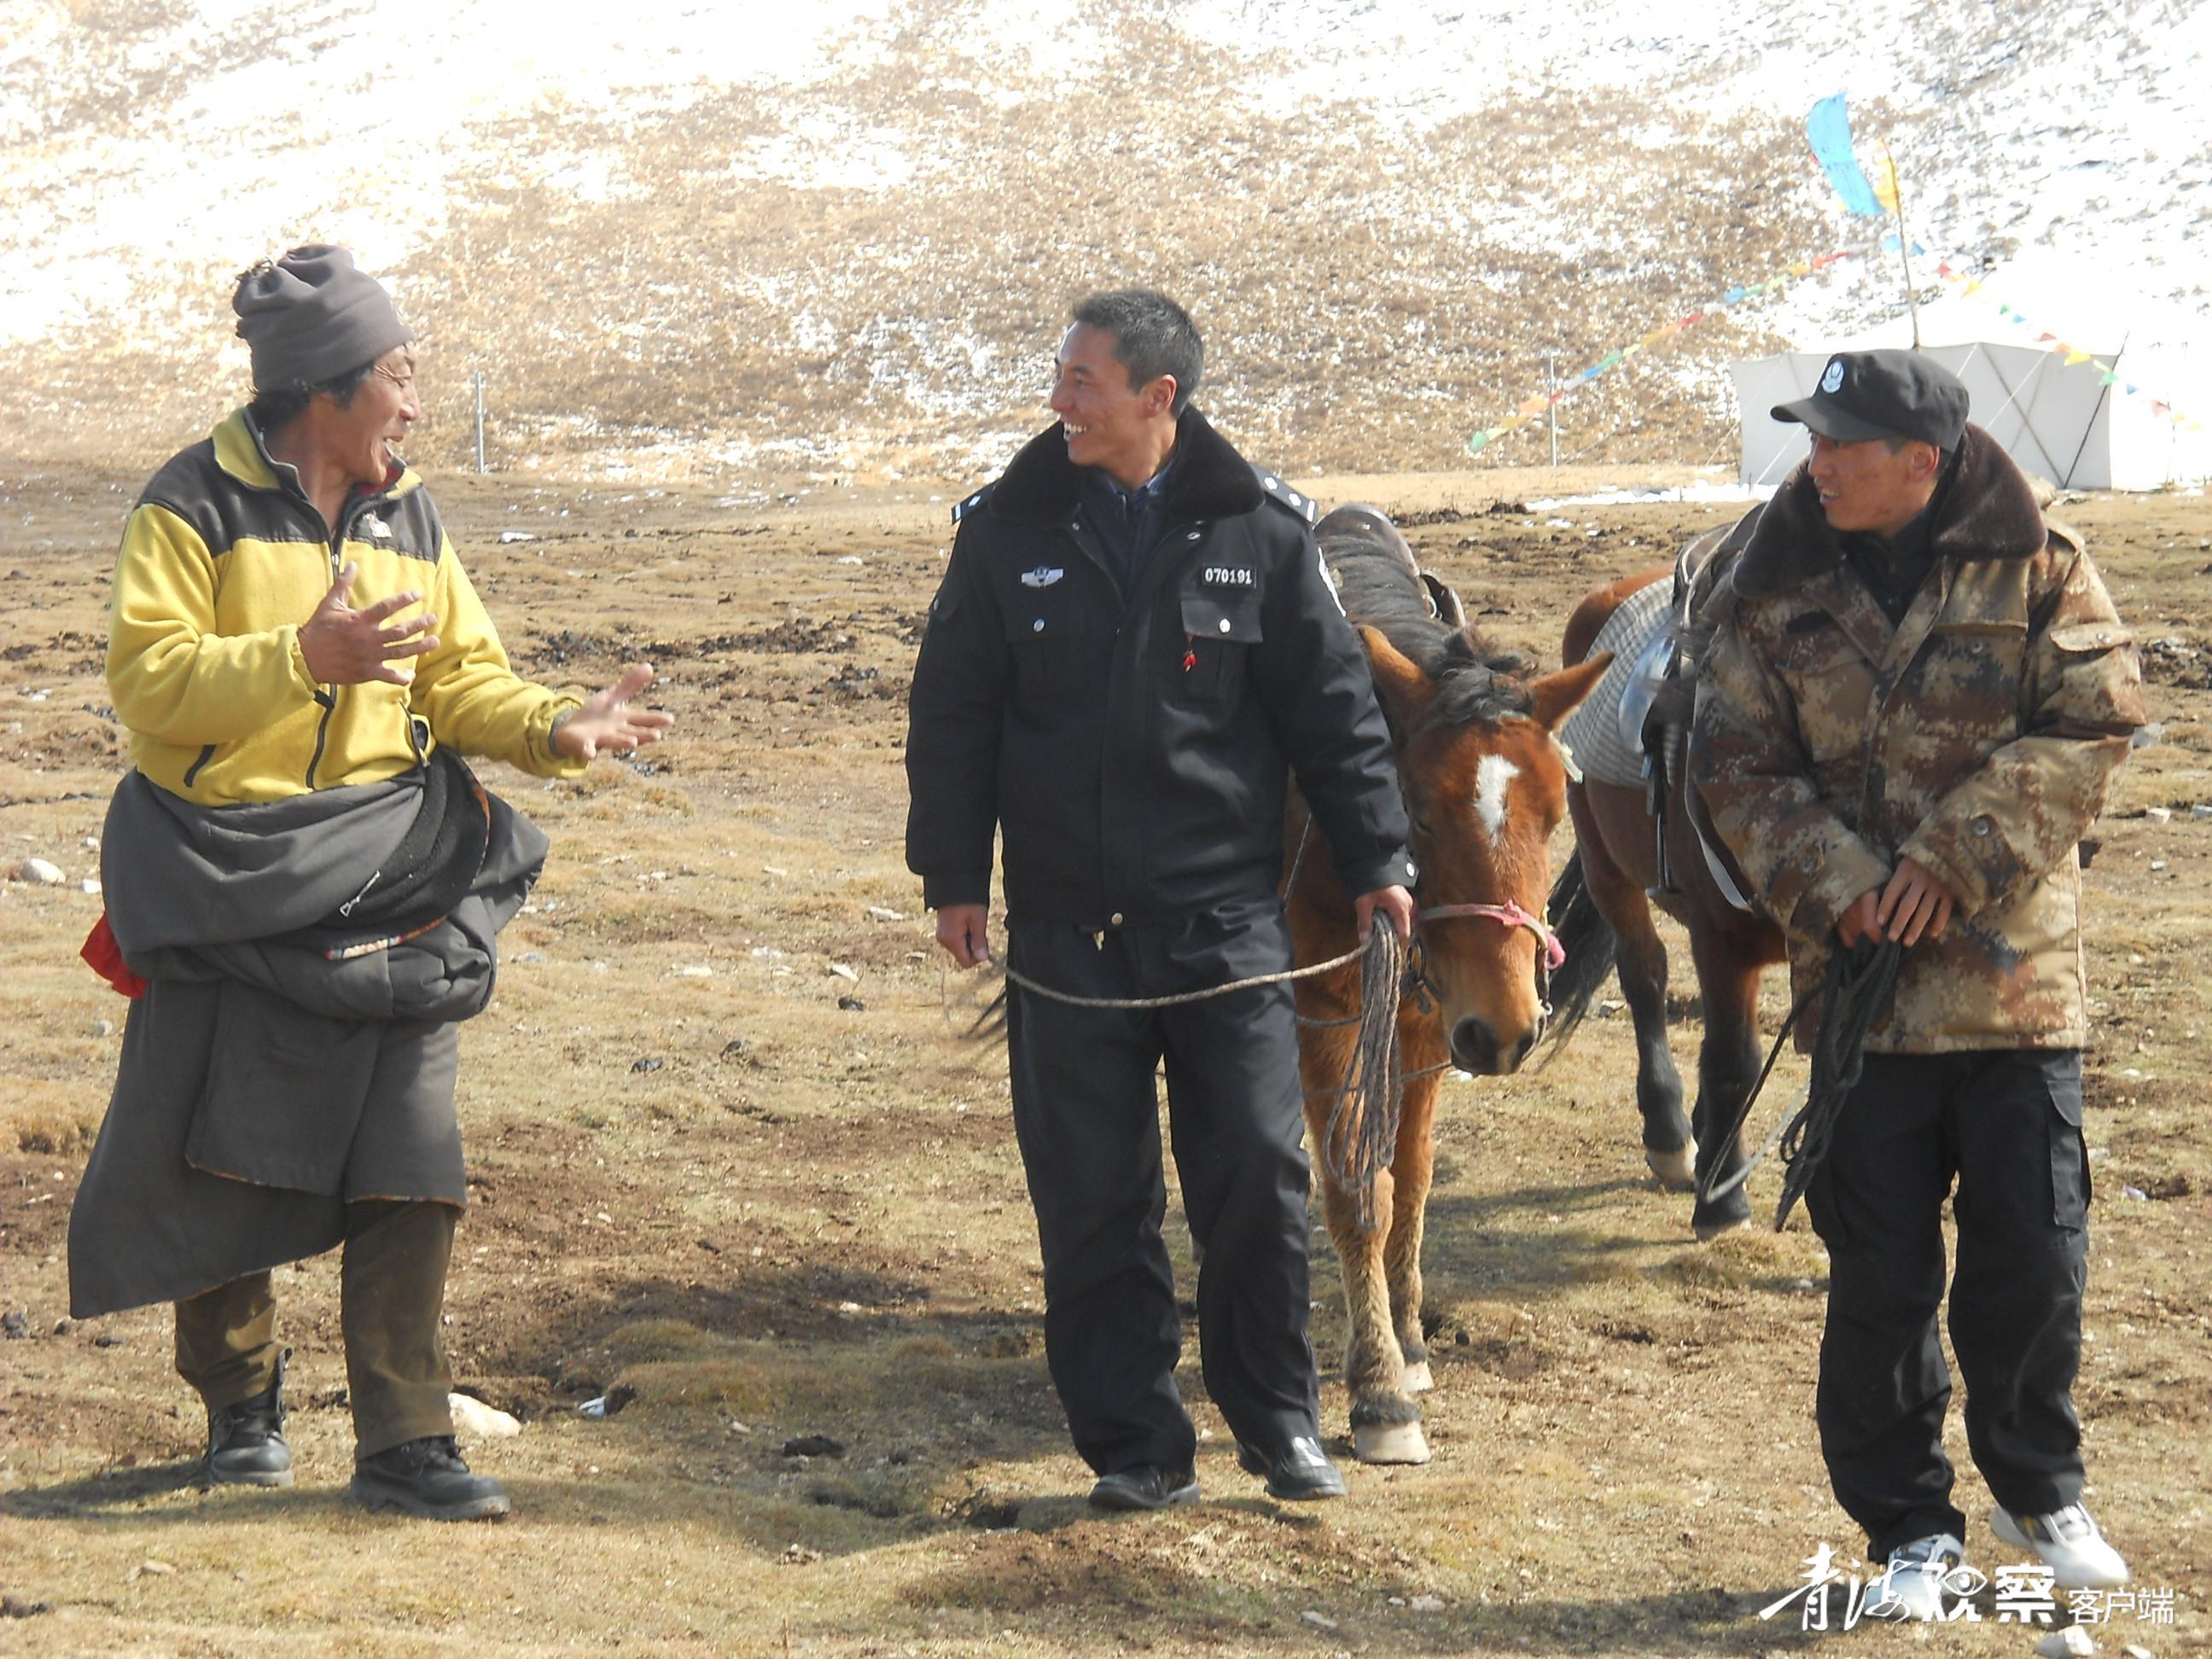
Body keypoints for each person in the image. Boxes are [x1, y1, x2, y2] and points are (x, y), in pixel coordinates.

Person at [68, 245, 672, 1521]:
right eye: (399, 375)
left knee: (414, 1148)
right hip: (224, 878)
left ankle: (404, 1441)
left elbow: (456, 676)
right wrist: (302, 657)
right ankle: (242, 1406)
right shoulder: (191, 509)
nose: (414, 401)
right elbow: (150, 685)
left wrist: (555, 725)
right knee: (211, 1155)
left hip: (393, 873)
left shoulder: (413, 516)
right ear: (326, 390)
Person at [905, 289, 1416, 1510]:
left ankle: (1277, 1422)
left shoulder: (1261, 531)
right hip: (1066, 933)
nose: (1057, 402)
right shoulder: (1005, 530)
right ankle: (1135, 1445)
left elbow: (1333, 714)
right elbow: (954, 710)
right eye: (1060, 376)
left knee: (1254, 1173)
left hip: (1223, 927)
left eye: (1083, 381)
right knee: (1093, 1195)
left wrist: (1379, 862)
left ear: (1157, 398)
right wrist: (953, 878)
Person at [1690, 349, 2145, 1616]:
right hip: (1861, 1004)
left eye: (1841, 442)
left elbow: (2096, 719)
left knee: (2035, 1261)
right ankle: (1908, 1535)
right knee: (1879, 1282)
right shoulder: (1770, 582)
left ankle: (2038, 1486)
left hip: (2013, 993)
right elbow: (1730, 757)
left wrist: (1951, 860)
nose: (1815, 462)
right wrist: (1840, 882)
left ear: (1922, 464)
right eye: (1811, 437)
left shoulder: (2041, 563)